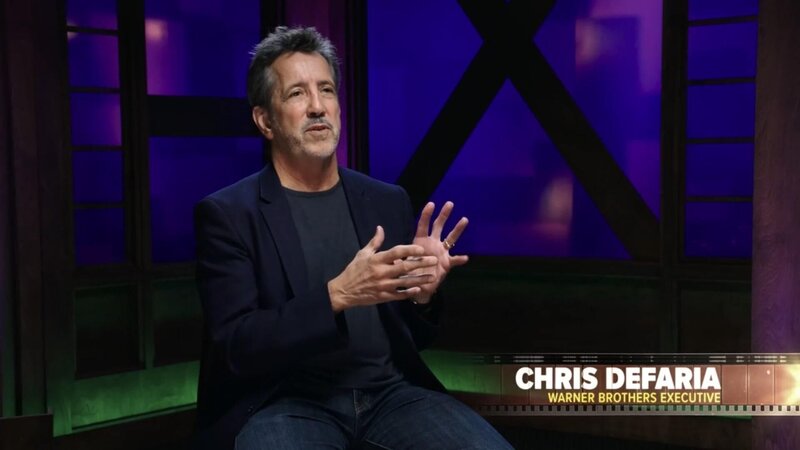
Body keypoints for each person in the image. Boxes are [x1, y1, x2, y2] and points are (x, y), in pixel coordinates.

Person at [193, 26, 513, 450]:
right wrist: (336, 296)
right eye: (297, 94)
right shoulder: (230, 214)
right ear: (265, 120)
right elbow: (236, 347)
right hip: (286, 401)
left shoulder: (386, 201)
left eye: (326, 90)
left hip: (391, 395)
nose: (317, 107)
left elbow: (414, 339)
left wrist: (421, 294)